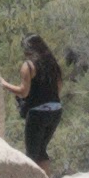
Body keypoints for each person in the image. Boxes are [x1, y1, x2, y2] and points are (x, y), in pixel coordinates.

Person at [17, 34, 66, 169]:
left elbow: (23, 92)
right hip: (56, 111)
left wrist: (3, 83)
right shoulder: (53, 64)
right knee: (41, 151)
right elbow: (59, 88)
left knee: (31, 154)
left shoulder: (29, 66)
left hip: (38, 113)